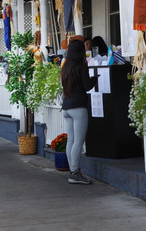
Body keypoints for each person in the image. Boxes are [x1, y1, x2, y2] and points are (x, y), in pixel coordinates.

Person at [61, 39, 95, 185]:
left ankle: (72, 170)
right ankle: (75, 172)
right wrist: (95, 79)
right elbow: (87, 86)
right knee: (79, 142)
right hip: (79, 107)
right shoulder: (82, 65)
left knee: (71, 140)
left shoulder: (65, 66)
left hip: (66, 107)